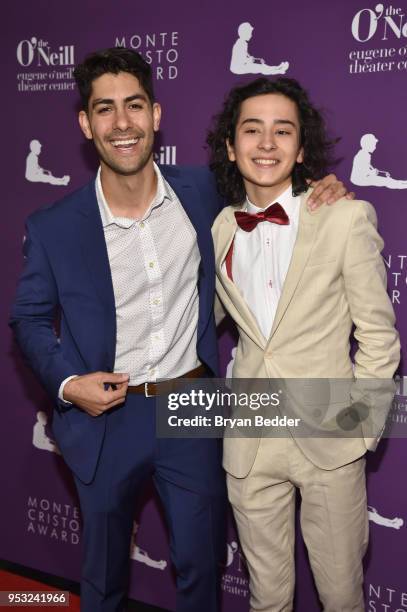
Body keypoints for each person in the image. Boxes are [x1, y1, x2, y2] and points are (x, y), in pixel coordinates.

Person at [10, 48, 349, 612]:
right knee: (103, 579)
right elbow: (27, 318)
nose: (122, 123)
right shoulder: (53, 226)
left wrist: (320, 187)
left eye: (134, 106)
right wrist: (69, 384)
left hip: (191, 403)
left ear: (157, 115)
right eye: (105, 109)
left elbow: (270, 181)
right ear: (85, 123)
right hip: (105, 417)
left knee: (201, 571)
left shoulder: (202, 192)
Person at [208, 77, 400, 611]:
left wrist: (360, 426)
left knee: (341, 597)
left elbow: (379, 336)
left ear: (299, 146)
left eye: (282, 131)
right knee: (266, 600)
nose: (266, 143)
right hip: (249, 440)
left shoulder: (343, 217)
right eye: (252, 130)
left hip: (329, 436)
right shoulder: (222, 226)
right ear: (231, 145)